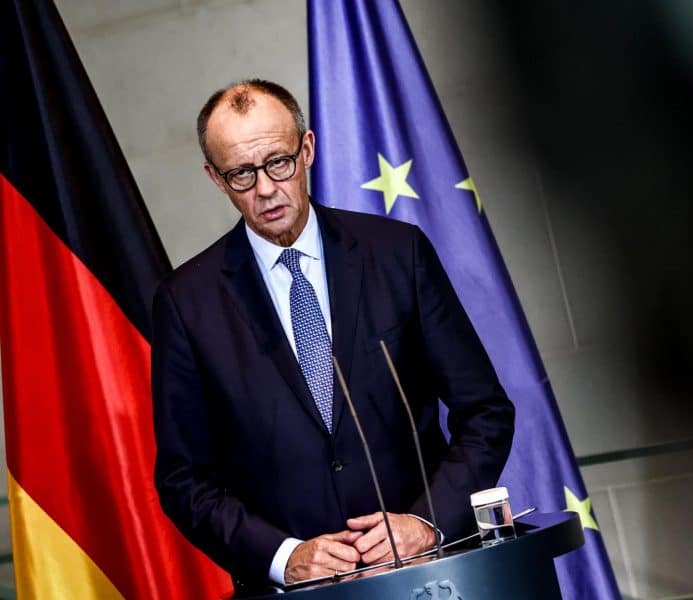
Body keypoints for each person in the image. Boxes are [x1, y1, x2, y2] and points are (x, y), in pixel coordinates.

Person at [151, 79, 515, 594]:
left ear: (308, 149)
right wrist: (284, 557)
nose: (266, 188)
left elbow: (486, 412)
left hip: (431, 578)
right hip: (297, 592)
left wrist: (427, 523)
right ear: (215, 178)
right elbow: (184, 480)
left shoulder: (396, 253)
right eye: (241, 174)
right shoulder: (186, 302)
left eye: (279, 161)